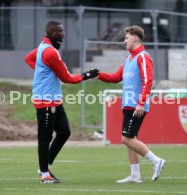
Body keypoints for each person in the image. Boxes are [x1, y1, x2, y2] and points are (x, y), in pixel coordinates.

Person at [24, 21, 99, 184]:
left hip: (53, 100)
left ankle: (45, 165)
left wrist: (42, 74)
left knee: (64, 132)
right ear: (51, 32)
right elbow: (67, 78)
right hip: (46, 100)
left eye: (63, 30)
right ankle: (44, 175)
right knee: (45, 138)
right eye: (60, 31)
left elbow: (28, 58)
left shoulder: (42, 47)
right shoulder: (50, 52)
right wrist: (87, 75)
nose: (63, 33)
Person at [98, 25, 166, 183]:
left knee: (126, 139)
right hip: (128, 104)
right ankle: (135, 175)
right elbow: (115, 77)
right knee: (131, 139)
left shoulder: (143, 57)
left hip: (136, 105)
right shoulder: (128, 59)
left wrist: (141, 103)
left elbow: (148, 81)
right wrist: (98, 75)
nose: (124, 41)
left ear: (135, 38)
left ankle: (156, 161)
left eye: (126, 38)